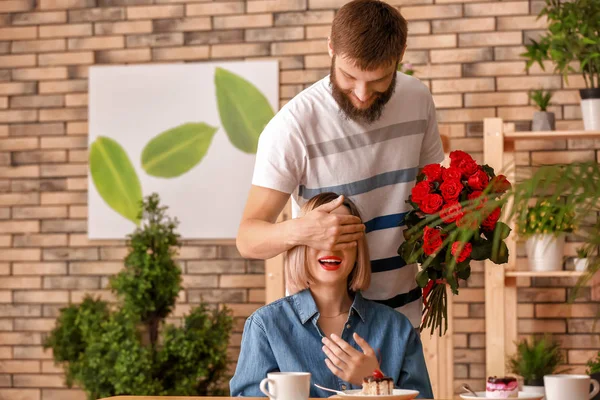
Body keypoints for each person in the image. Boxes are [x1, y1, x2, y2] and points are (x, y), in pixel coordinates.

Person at [236, 0, 444, 328]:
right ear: (330, 48)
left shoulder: (418, 99)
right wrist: (301, 230)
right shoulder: (292, 127)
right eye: (349, 76)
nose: (362, 93)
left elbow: (434, 194)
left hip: (401, 317)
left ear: (401, 55)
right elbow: (248, 238)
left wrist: (442, 264)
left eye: (378, 80)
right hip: (321, 324)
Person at [230, 193, 433, 398]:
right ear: (300, 246)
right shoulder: (265, 326)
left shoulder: (397, 328)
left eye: (343, 236)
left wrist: (376, 379)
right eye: (319, 236)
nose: (330, 246)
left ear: (358, 250)